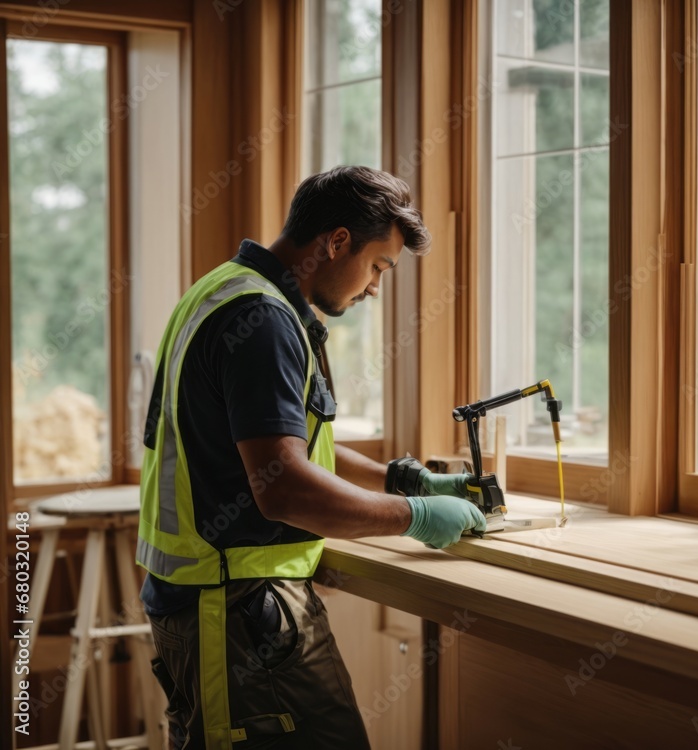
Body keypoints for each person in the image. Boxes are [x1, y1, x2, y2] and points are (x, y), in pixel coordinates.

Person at [136, 165, 486, 749]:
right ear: (337, 241)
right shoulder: (263, 321)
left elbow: (279, 442)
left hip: (209, 606)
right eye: (378, 267)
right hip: (237, 614)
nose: (375, 287)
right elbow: (286, 489)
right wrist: (414, 518)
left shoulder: (226, 287)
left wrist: (404, 481)